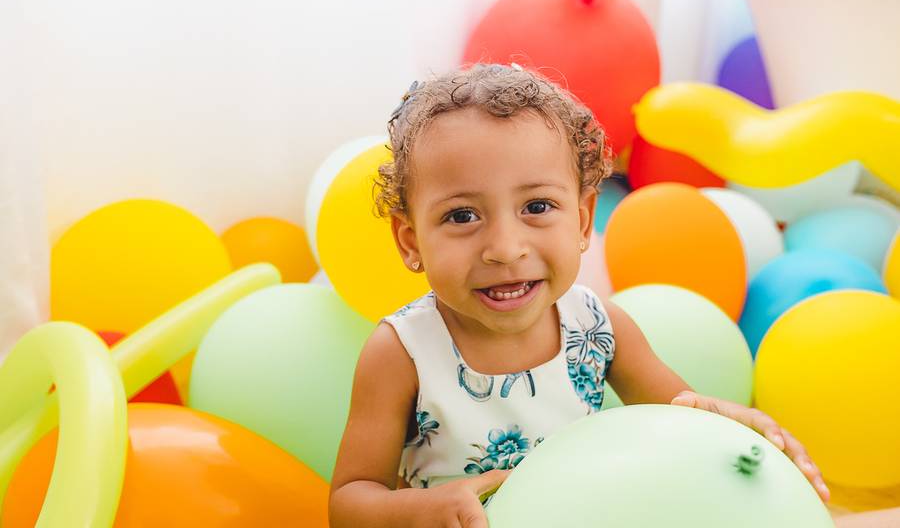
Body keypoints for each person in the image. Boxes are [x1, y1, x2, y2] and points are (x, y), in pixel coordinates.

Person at [329, 63, 829, 527]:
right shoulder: (402, 352)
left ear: (583, 221)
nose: (505, 249)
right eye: (462, 216)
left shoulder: (596, 326)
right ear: (410, 241)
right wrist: (428, 508)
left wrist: (738, 424)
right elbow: (350, 500)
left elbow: (682, 418)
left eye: (538, 206)